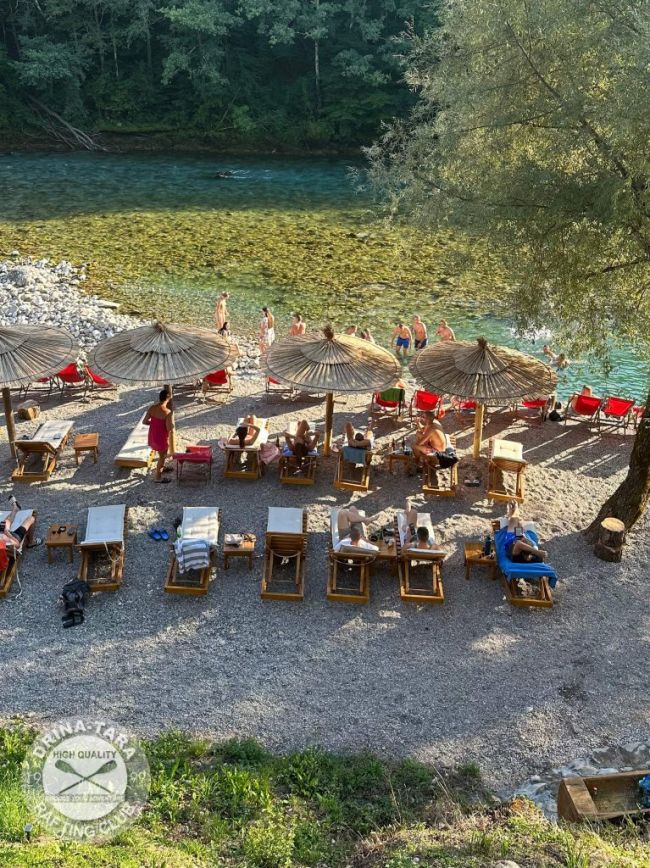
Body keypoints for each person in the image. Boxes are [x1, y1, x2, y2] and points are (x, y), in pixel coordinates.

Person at [144, 390, 174, 482]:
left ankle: (162, 467)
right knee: (162, 457)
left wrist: (155, 424)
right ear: (168, 398)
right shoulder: (167, 412)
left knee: (160, 455)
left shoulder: (152, 408)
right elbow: (169, 428)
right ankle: (158, 478)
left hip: (152, 436)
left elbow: (144, 422)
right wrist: (172, 425)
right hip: (161, 438)